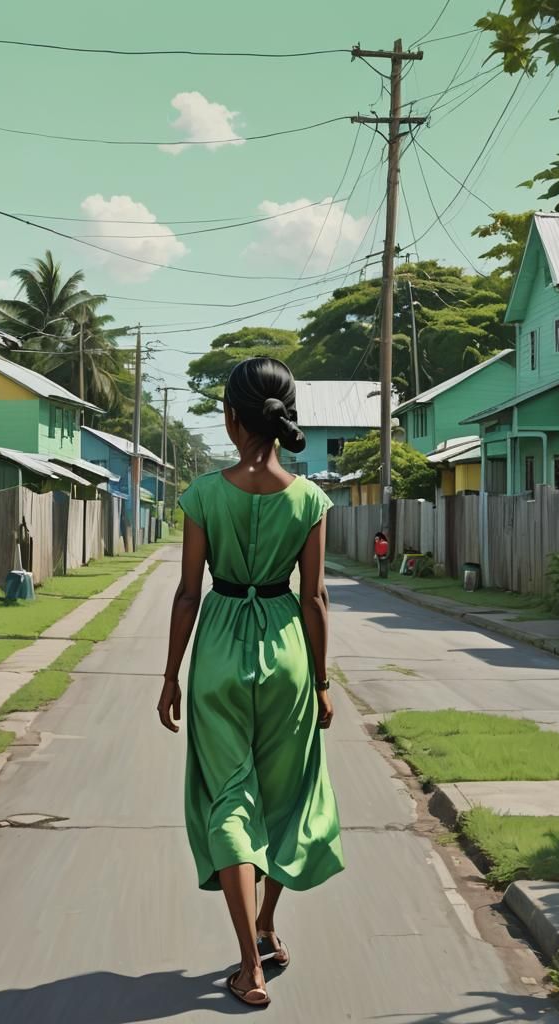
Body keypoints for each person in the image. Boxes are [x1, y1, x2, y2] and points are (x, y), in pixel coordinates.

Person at [158, 357, 344, 1009]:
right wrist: (322, 681)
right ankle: (267, 924)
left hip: (216, 654)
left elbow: (187, 594)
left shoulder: (204, 496)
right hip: (288, 651)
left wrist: (170, 676)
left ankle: (248, 965)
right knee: (284, 797)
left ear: (231, 419)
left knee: (230, 802)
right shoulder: (310, 500)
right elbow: (316, 599)